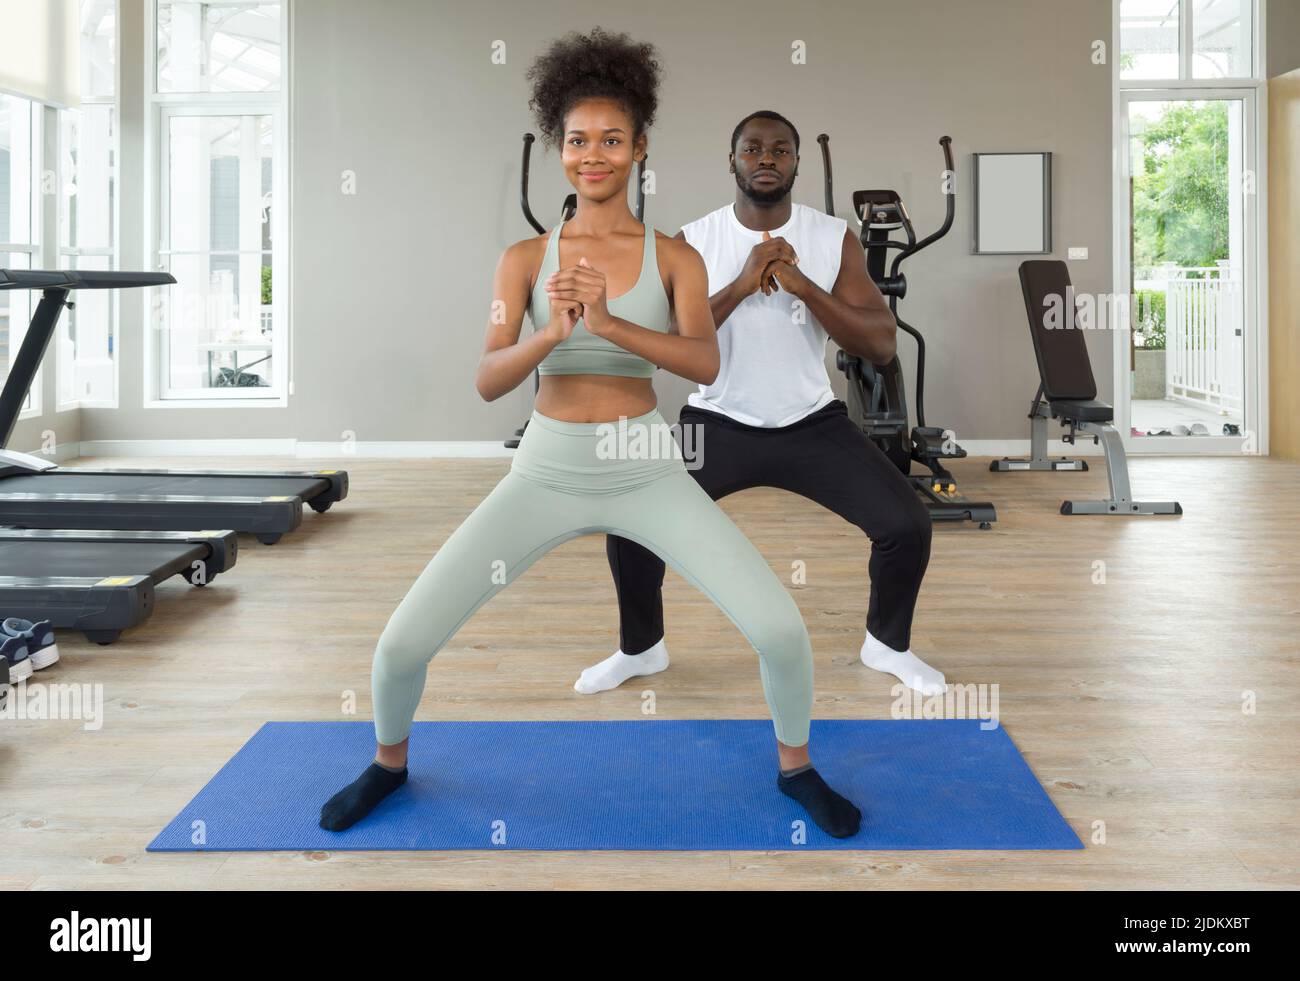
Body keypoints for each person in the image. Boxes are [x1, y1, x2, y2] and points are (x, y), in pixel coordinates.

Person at [320, 30, 860, 839]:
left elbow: (704, 364)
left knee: (780, 629)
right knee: (400, 644)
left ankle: (797, 769)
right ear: (559, 149)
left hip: (643, 462)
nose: (593, 154)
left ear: (640, 148)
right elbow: (489, 376)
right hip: (545, 467)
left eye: (612, 139)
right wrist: (551, 331)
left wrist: (608, 323)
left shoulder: (674, 257)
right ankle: (388, 765)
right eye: (578, 141)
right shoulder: (522, 260)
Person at [577, 111, 945, 700]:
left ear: (795, 162)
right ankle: (641, 648)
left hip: (811, 422)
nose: (766, 159)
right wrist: (744, 284)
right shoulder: (694, 240)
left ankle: (887, 644)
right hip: (718, 420)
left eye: (780, 150)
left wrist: (804, 287)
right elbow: (671, 343)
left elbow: (878, 343)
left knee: (907, 524)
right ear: (733, 162)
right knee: (629, 523)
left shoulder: (831, 237)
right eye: (753, 149)